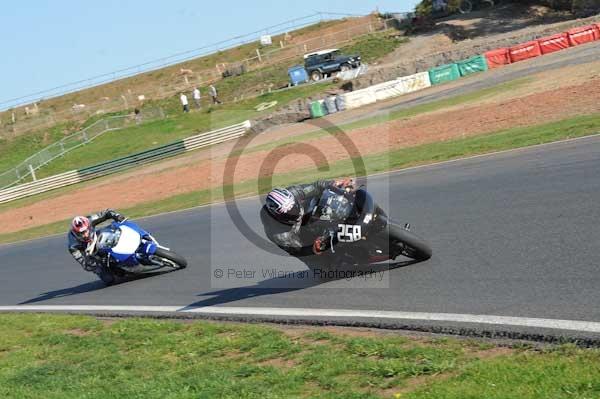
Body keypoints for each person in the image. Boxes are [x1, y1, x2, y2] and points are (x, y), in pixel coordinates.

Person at [263, 178, 355, 256]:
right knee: (319, 262)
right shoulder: (281, 235)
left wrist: (334, 184)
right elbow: (299, 250)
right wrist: (313, 248)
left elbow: (316, 186)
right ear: (279, 216)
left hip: (308, 210)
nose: (294, 212)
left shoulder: (293, 192)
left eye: (294, 207)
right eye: (289, 213)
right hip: (298, 235)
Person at [68, 209, 125, 274]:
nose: (85, 235)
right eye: (81, 233)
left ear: (88, 226)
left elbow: (107, 213)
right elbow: (83, 263)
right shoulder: (73, 246)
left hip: (95, 238)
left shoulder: (90, 220)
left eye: (85, 231)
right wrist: (91, 264)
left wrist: (116, 216)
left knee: (112, 231)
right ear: (76, 233)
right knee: (108, 279)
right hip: (87, 250)